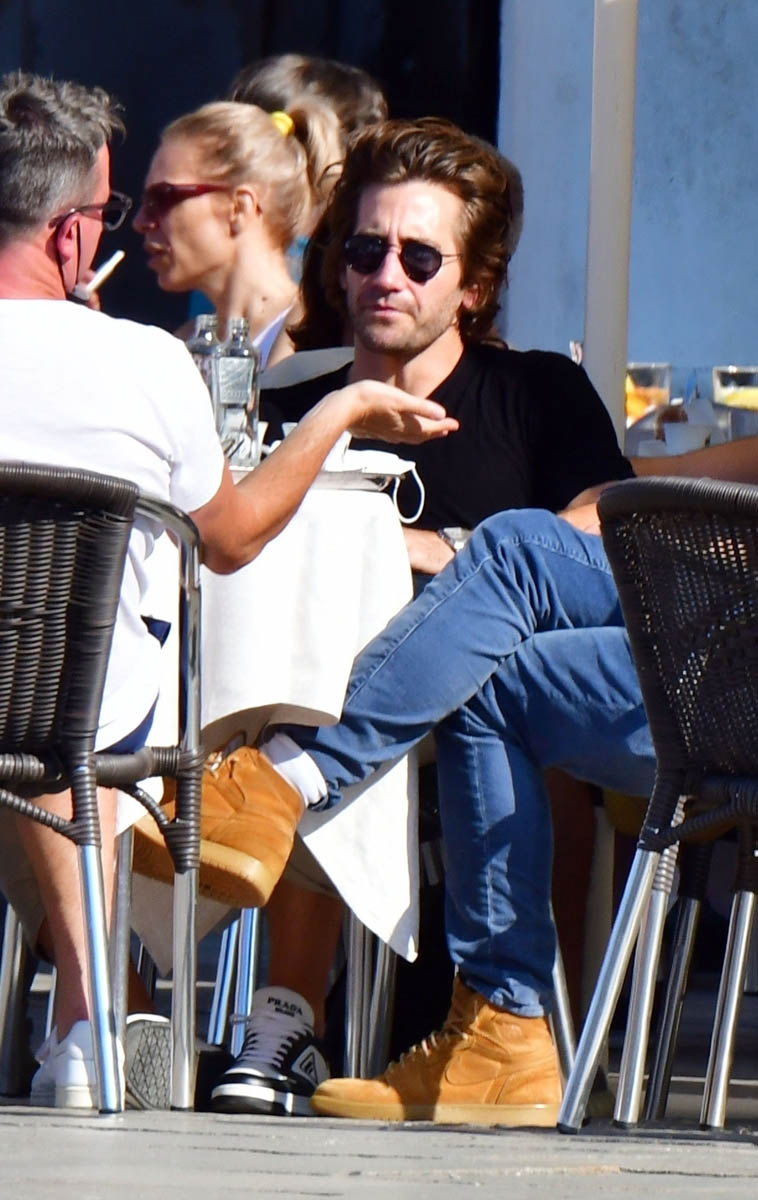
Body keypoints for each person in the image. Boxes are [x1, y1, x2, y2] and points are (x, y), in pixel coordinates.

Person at [0, 72, 455, 1110]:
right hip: (80, 720)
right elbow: (235, 540)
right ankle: (102, 1010)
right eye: (114, 209)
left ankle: (94, 1007)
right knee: (80, 718)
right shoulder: (143, 363)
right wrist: (336, 417)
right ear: (71, 235)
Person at [203, 116, 632, 1118]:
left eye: (419, 257)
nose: (385, 275)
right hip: (302, 679)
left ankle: (305, 992)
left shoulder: (533, 392)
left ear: (471, 287)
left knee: (340, 700)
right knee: (295, 684)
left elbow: (597, 519)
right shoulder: (289, 404)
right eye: (365, 251)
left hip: (485, 712)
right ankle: (238, 1012)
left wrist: (444, 551)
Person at [134, 97, 342, 368]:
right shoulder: (181, 347)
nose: (140, 221)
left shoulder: (315, 332)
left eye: (163, 197)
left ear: (239, 207)